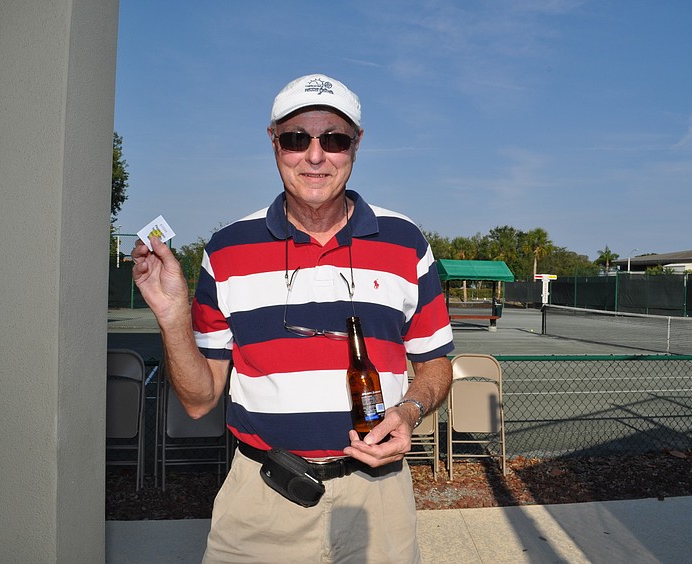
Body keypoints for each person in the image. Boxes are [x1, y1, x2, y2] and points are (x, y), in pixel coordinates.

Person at [132, 73, 454, 563]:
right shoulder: (226, 249)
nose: (316, 155)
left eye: (335, 139)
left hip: (379, 499)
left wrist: (409, 412)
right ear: (273, 142)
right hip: (261, 501)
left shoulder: (406, 242)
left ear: (356, 146)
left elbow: (436, 365)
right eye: (297, 138)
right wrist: (173, 316)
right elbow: (199, 401)